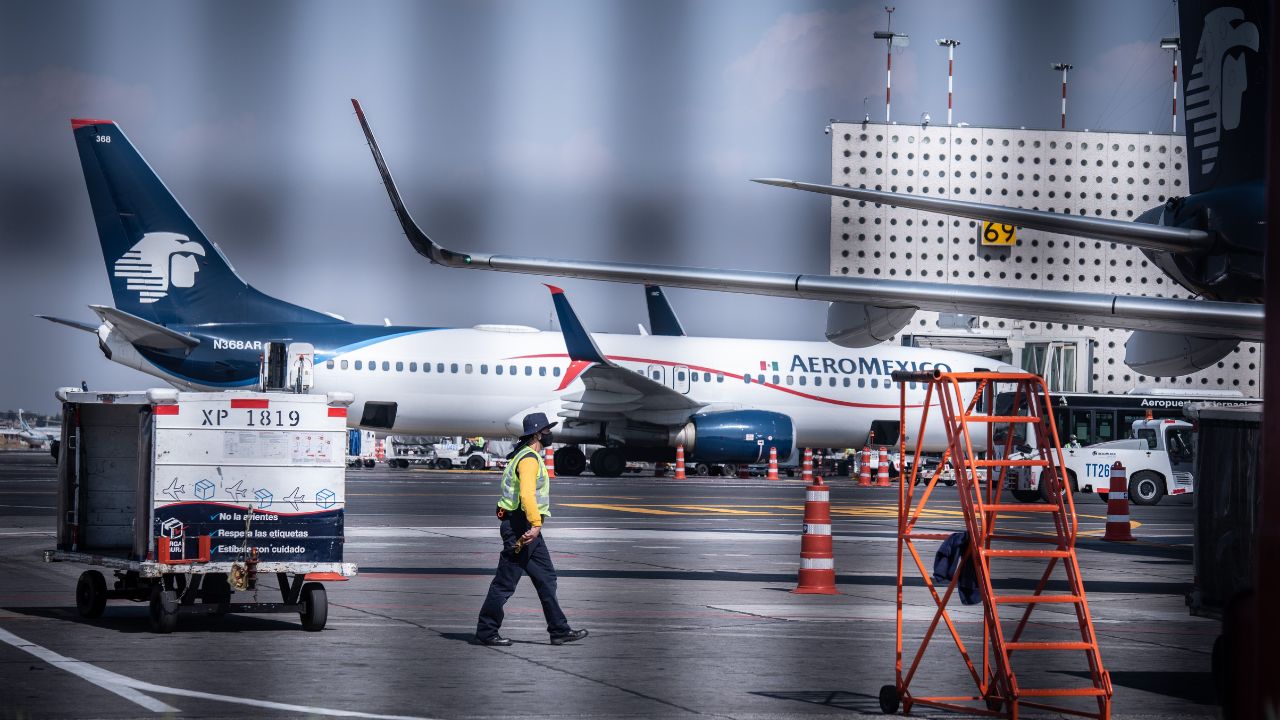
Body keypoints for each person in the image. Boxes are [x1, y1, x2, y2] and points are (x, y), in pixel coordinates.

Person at [474, 412, 587, 647]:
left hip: (525, 526)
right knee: (505, 582)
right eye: (546, 431)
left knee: (546, 578)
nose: (550, 435)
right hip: (521, 527)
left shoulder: (526, 455)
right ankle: (486, 631)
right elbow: (526, 494)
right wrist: (536, 525)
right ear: (537, 433)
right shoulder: (528, 459)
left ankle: (559, 630)